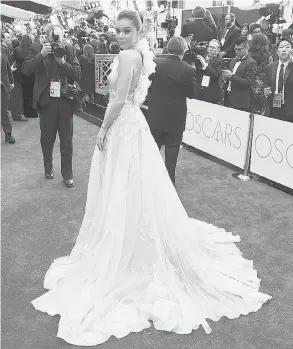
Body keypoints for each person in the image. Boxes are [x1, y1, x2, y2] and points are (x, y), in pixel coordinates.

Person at [31, 10, 271, 347]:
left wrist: (102, 128)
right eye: (117, 30)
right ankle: (129, 234)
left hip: (124, 126)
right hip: (134, 126)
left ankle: (127, 245)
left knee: (125, 185)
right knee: (135, 185)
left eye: (126, 30)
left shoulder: (131, 54)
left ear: (139, 30)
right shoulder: (142, 51)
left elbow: (117, 99)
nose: (120, 36)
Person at [22, 24, 81, 188]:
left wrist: (62, 62)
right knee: (47, 139)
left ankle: (67, 175)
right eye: (54, 36)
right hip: (46, 101)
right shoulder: (37, 48)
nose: (56, 39)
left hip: (65, 101)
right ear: (46, 36)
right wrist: (41, 54)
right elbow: (26, 69)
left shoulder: (68, 49)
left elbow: (77, 73)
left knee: (67, 140)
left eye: (59, 36)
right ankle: (48, 169)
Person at [146, 36, 197, 185]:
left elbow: (147, 86)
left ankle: (148, 185)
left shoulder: (155, 63)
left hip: (155, 116)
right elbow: (192, 94)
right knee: (171, 156)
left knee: (152, 153)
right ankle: (168, 187)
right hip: (176, 119)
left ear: (168, 48)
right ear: (184, 50)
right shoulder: (189, 69)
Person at [223, 36, 258, 113]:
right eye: (235, 49)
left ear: (247, 48)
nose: (237, 52)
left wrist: (231, 76)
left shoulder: (252, 63)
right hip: (228, 98)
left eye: (239, 50)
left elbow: (248, 83)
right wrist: (226, 77)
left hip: (240, 101)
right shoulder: (233, 60)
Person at [263, 38, 293, 123]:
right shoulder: (269, 67)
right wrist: (265, 92)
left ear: (291, 50)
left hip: (290, 110)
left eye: (287, 47)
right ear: (277, 51)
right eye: (281, 47)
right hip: (274, 108)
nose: (284, 49)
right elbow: (267, 86)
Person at [195, 39, 226, 104]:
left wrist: (205, 64)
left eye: (213, 48)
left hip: (211, 95)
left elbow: (215, 75)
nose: (211, 49)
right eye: (210, 47)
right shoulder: (200, 57)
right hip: (198, 92)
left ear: (218, 50)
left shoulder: (220, 61)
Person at [1, 33, 15, 144]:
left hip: (3, 86)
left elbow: (7, 66)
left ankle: (8, 134)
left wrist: (11, 81)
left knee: (4, 111)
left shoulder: (3, 50)